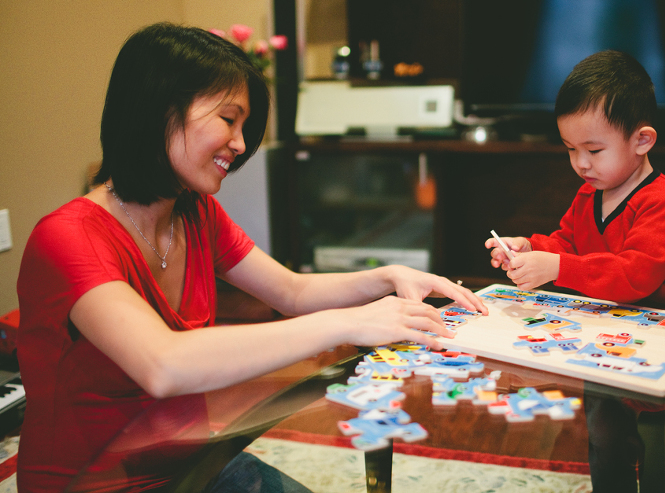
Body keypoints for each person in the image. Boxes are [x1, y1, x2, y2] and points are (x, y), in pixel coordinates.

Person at [16, 22, 488, 493]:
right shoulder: (66, 237)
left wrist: (388, 275)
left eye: (244, 127)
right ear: (158, 109)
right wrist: (348, 323)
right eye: (228, 119)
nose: (240, 145)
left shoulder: (195, 212)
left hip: (196, 463)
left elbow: (292, 291)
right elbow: (163, 364)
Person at [485, 50, 665, 492]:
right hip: (605, 342)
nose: (581, 164)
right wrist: (531, 248)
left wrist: (557, 266)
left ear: (642, 141)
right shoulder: (589, 195)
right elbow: (568, 243)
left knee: (663, 453)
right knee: (605, 439)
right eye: (571, 150)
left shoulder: (663, 204)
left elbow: (634, 275)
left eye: (594, 150)